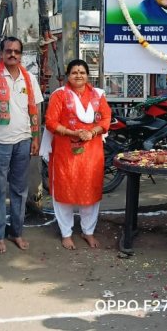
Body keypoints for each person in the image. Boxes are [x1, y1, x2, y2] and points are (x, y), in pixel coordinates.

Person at [43, 59, 111, 250]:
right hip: (66, 151)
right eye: (74, 72)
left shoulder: (98, 95)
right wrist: (73, 133)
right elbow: (50, 122)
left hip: (92, 152)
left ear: (88, 75)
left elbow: (106, 118)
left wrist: (92, 132)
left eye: (82, 72)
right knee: (65, 190)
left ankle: (88, 231)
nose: (78, 75)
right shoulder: (59, 95)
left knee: (90, 190)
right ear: (68, 76)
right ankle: (66, 233)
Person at [0, 37, 43, 253]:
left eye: (16, 51)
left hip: (23, 140)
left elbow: (36, 109)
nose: (13, 54)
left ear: (21, 55)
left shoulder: (29, 78)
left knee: (19, 190)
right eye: (8, 51)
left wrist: (36, 138)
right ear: (1, 54)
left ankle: (17, 232)